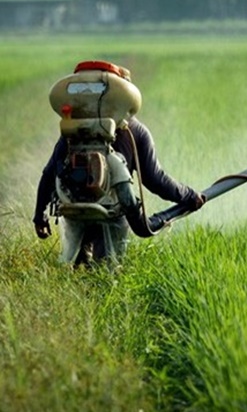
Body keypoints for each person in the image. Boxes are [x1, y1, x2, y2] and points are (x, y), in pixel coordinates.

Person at [32, 61, 203, 267]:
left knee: (75, 268)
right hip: (112, 210)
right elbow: (155, 180)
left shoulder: (73, 130)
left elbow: (50, 172)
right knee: (107, 271)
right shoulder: (136, 131)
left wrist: (39, 215)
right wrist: (189, 196)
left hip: (75, 208)